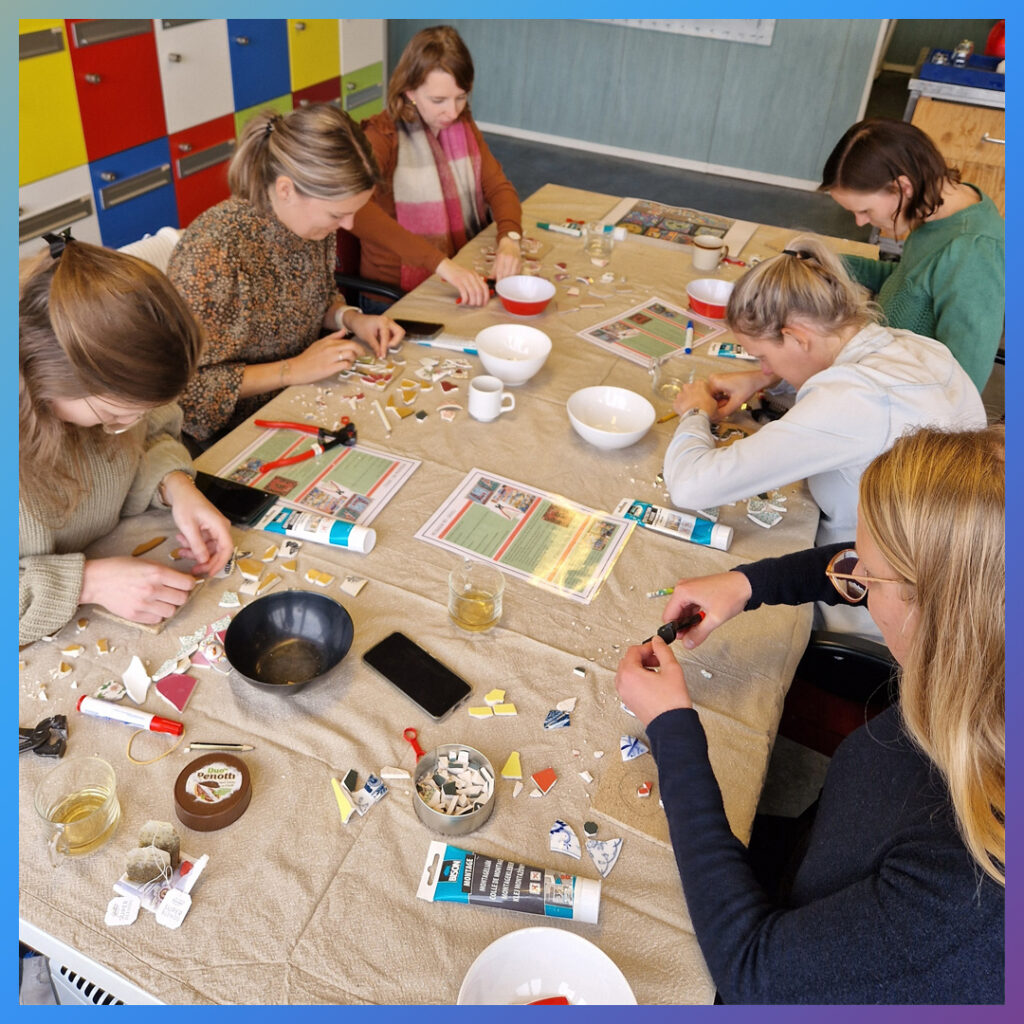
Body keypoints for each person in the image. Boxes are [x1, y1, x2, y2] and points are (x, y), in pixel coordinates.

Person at [616, 425, 1004, 1003]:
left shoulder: (968, 880)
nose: (855, 577)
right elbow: (856, 566)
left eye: (871, 578)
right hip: (809, 870)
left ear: (941, 606)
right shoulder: (984, 659)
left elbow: (750, 971)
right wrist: (748, 583)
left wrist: (671, 727)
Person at [664, 236, 984, 633]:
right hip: (959, 581)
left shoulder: (851, 401)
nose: (764, 366)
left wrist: (696, 411)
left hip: (876, 606)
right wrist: (766, 382)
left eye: (763, 356)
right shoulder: (919, 347)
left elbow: (691, 486)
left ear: (798, 337)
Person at [19, 236, 234, 646]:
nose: (132, 424)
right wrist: (87, 584)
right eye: (115, 416)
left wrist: (175, 485)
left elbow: (152, 432)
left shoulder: (104, 391)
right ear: (43, 377)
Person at [167, 104, 404, 446]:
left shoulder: (311, 225)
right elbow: (187, 390)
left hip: (300, 395)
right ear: (285, 190)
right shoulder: (213, 253)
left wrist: (352, 319)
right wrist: (294, 369)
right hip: (228, 433)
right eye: (338, 213)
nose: (348, 225)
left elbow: (316, 295)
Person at [820, 118, 1004, 392]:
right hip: (877, 366)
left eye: (866, 211)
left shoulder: (973, 252)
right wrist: (827, 263)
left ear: (903, 187)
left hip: (905, 406)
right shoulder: (933, 211)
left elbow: (962, 389)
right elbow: (908, 282)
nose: (859, 222)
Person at [348, 25, 524, 308]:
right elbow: (354, 211)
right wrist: (439, 263)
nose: (453, 112)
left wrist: (510, 238)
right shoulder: (381, 137)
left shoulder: (463, 124)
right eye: (438, 100)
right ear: (410, 92)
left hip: (455, 273)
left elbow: (498, 187)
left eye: (461, 97)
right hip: (395, 295)